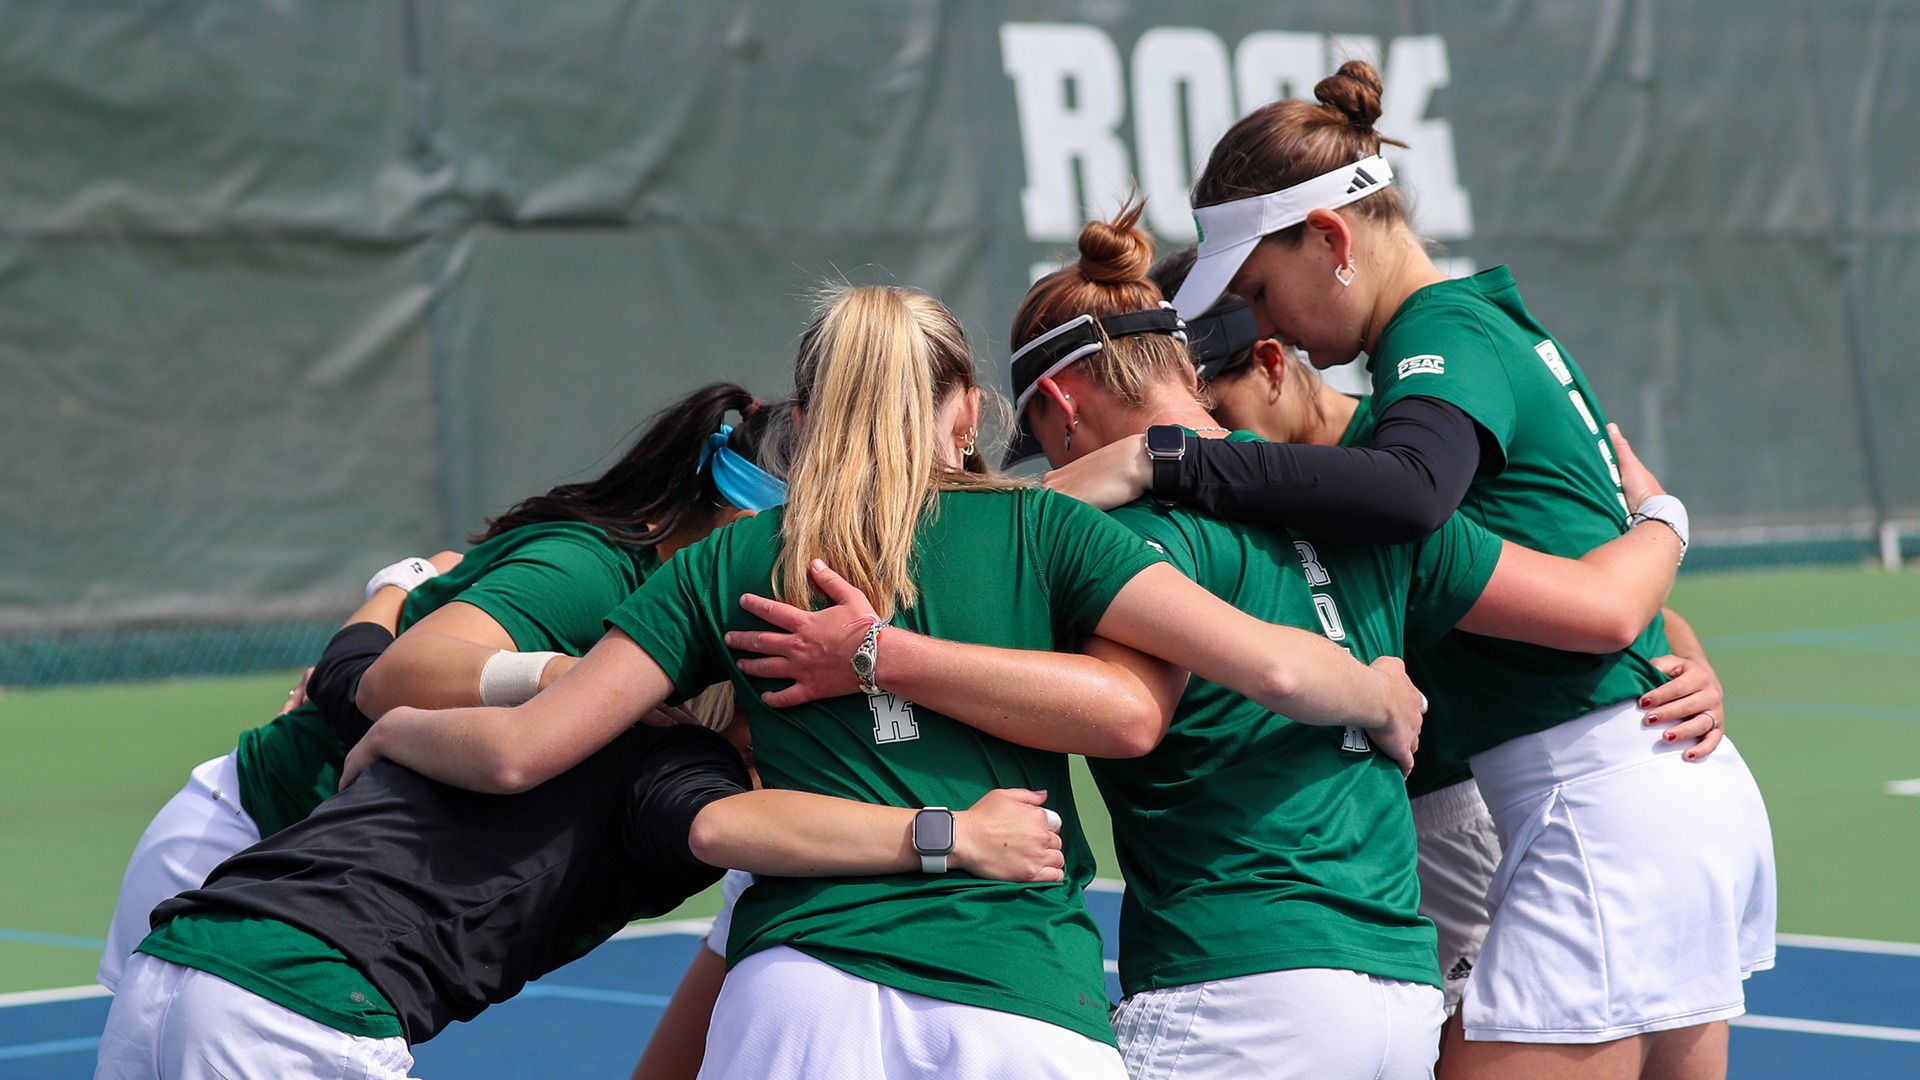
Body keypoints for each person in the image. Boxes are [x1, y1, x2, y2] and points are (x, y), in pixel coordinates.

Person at [343, 283, 1430, 1079]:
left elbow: (520, 750)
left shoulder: (732, 560)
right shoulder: (1044, 528)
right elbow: (1275, 667)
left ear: (806, 421)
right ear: (968, 411)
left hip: (801, 996)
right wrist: (1377, 693)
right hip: (1023, 1001)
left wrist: (397, 735)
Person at [725, 205, 1692, 1080]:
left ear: (1061, 414)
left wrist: (871, 651)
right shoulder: (1357, 496)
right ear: (1190, 372)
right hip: (1400, 988)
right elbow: (1597, 610)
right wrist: (1664, 534)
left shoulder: (1118, 543)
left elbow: (1105, 688)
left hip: (1232, 978)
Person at [1046, 63, 1774, 1080]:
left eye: (1259, 291)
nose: (1276, 332)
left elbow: (1413, 493)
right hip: (1630, 783)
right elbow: (1569, 561)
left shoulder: (1439, 338)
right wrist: (1666, 569)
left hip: (1594, 791)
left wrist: (1166, 459)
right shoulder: (1466, 337)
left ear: (1333, 241)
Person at [1148, 245, 1732, 1054]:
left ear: (1273, 363)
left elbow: (1601, 597)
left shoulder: (1409, 459)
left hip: (1496, 819)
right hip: (1397, 846)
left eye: (1215, 418)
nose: (1214, 448)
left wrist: (1687, 657)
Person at [98, 382, 787, 990]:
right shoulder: (590, 574)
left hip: (329, 895)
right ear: (745, 516)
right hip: (245, 846)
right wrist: (566, 678)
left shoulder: (706, 615)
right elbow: (386, 683)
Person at [97, 657, 1072, 1080]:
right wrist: (947, 833)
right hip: (298, 1008)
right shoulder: (678, 768)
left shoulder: (559, 728)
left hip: (177, 955)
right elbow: (726, 830)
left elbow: (413, 730)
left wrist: (394, 726)